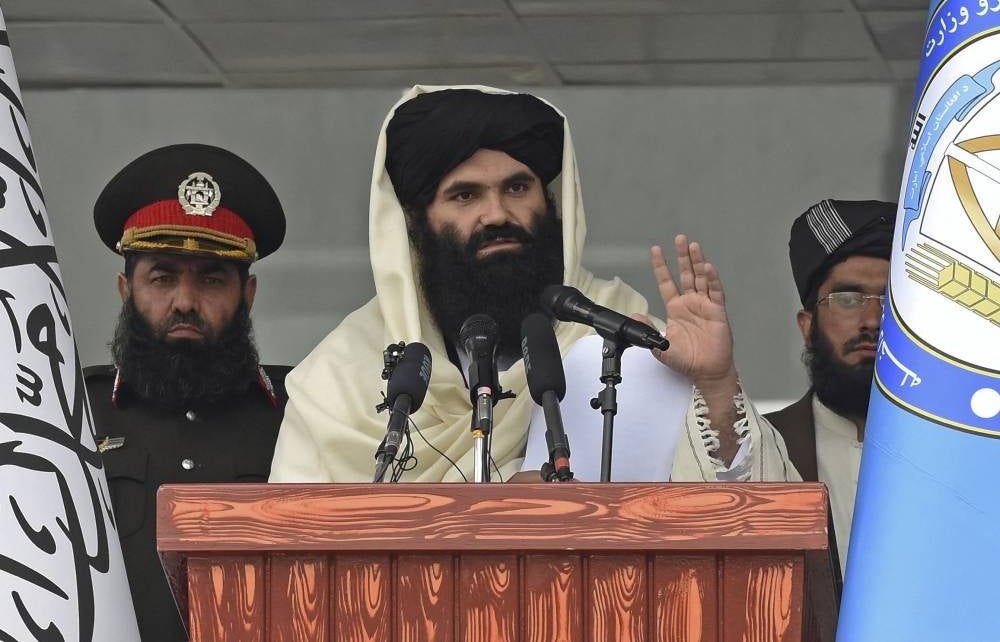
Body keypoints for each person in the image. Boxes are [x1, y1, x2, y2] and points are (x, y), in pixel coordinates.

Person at [270, 85, 795, 484]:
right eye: (465, 196)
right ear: (415, 222)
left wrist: (717, 385)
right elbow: (290, 558)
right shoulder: (340, 379)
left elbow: (750, 514)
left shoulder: (620, 336)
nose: (498, 214)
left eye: (518, 188)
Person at [88, 143, 290, 641]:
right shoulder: (76, 414)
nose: (185, 301)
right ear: (125, 290)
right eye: (162, 277)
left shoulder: (301, 411)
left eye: (211, 279)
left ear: (248, 295)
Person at [766, 198, 895, 580]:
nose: (872, 320)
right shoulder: (763, 447)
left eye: (892, 300)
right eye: (848, 299)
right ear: (807, 327)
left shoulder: (967, 452)